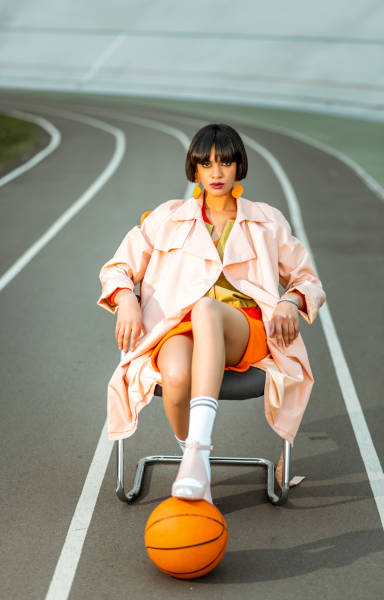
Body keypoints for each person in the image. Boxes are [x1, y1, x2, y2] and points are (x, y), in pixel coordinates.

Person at [97, 123, 326, 505]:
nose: (216, 173)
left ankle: (198, 454)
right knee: (174, 374)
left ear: (239, 167)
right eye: (207, 164)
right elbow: (118, 267)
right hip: (178, 329)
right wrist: (126, 300)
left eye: (226, 163)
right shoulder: (167, 218)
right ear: (195, 170)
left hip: (243, 329)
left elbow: (308, 279)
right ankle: (192, 453)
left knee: (206, 308)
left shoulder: (267, 220)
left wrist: (290, 301)